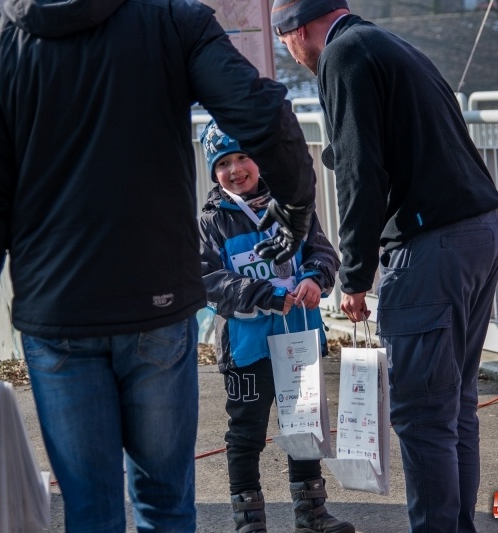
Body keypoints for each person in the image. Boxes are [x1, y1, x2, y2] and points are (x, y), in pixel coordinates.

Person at [0, 0, 318, 531]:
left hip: (56, 311)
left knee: (90, 509)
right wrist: (293, 208)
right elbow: (261, 111)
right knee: (165, 503)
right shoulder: (171, 20)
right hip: (156, 300)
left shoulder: (0, 42)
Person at [270, 1, 498, 532]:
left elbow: (359, 171)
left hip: (433, 246)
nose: (293, 55)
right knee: (453, 406)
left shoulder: (343, 55)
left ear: (300, 30)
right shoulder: (391, 45)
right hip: (479, 231)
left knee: (423, 414)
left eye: (286, 44)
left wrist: (354, 276)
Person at [198, 121, 352, 533]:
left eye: (243, 157)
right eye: (223, 162)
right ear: (213, 171)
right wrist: (260, 292)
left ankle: (312, 513)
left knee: (304, 426)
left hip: (298, 338)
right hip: (246, 349)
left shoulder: (292, 206)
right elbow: (206, 280)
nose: (236, 169)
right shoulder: (211, 221)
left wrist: (314, 278)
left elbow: (322, 251)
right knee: (246, 432)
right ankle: (249, 519)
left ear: (259, 159)